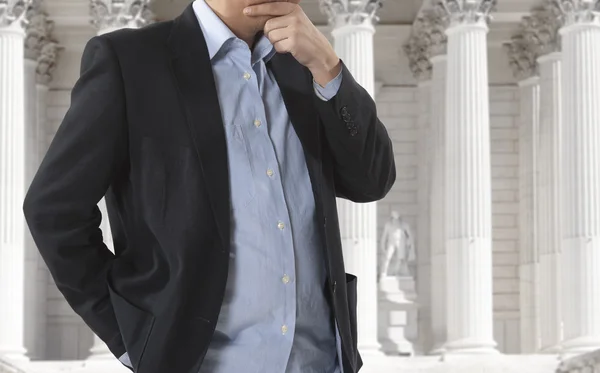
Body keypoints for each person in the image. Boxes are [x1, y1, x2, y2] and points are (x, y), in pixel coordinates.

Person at [22, 0, 396, 372]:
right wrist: (130, 336)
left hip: (318, 363)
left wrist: (328, 68)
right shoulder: (131, 61)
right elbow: (53, 211)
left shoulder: (303, 64)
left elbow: (372, 181)